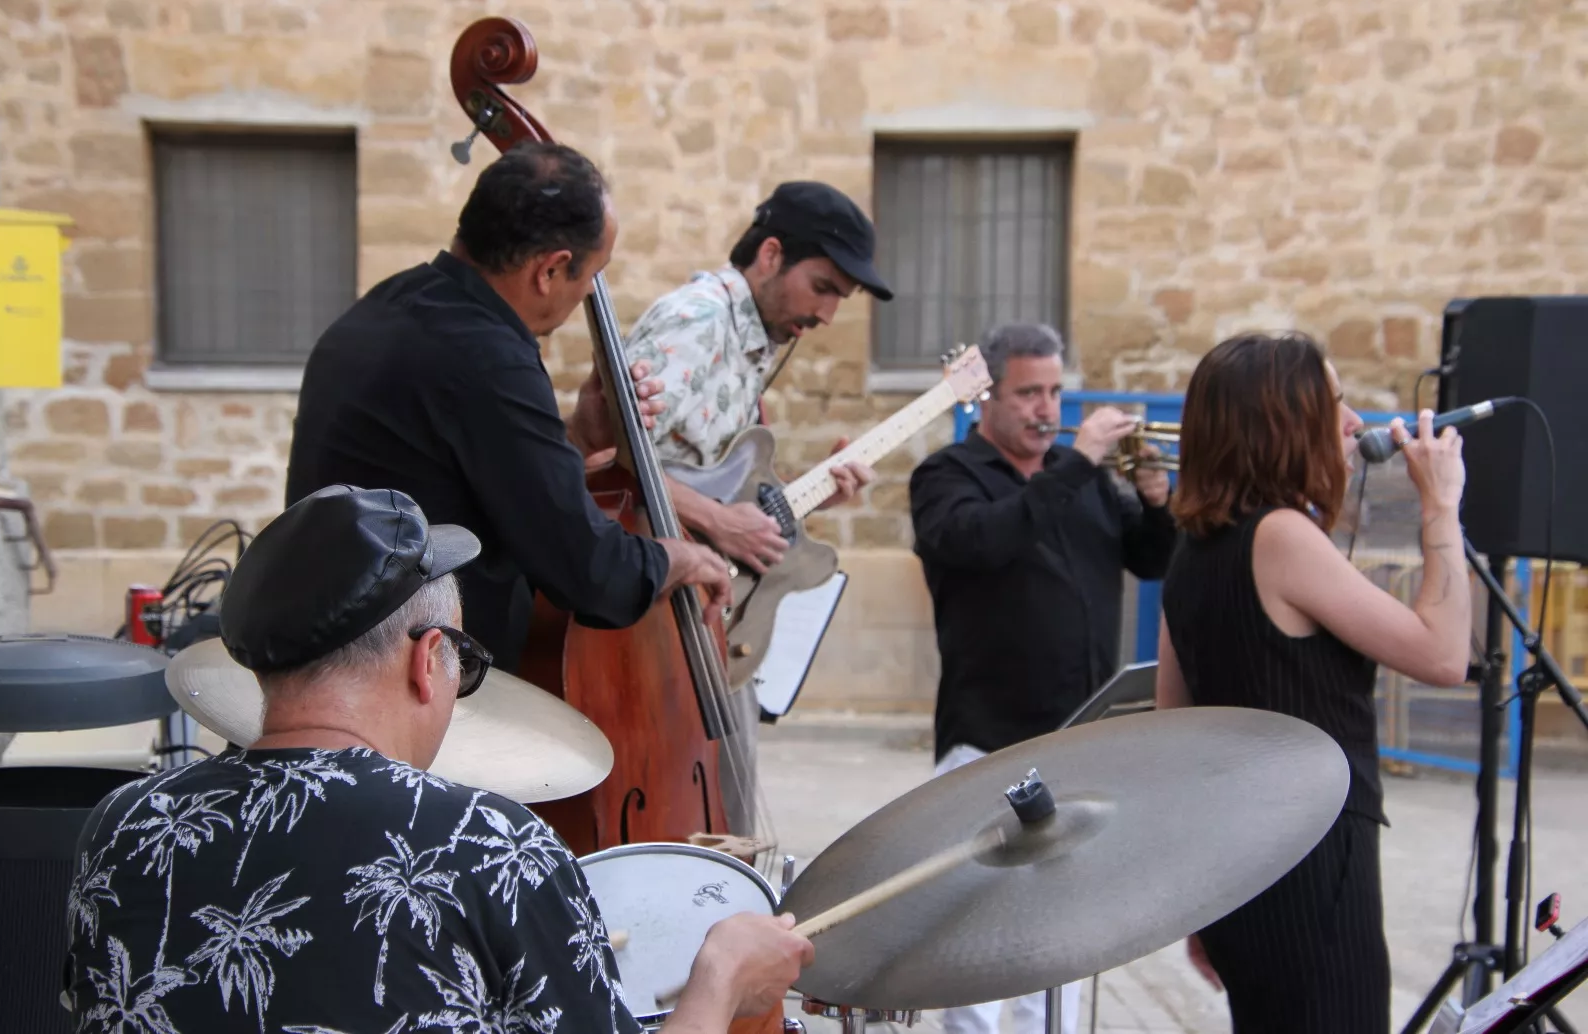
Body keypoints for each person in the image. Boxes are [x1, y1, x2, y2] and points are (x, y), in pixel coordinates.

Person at [62, 484, 813, 1034]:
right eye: (464, 661)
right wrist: (719, 982)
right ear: (430, 661)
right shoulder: (487, 846)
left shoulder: (125, 824)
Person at [284, 141, 732, 674]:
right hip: (397, 685)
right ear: (550, 270)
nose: (590, 292)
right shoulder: (489, 357)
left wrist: (582, 436)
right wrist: (677, 557)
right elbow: (585, 572)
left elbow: (463, 473)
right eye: (592, 274)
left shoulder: (388, 307)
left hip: (324, 655)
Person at [1156, 332, 1470, 1033]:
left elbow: (1176, 732)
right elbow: (1445, 656)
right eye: (1334, 402)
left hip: (1243, 861)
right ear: (1284, 422)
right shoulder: (1281, 538)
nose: (1355, 421)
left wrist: (1200, 897)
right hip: (1310, 862)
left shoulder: (1196, 546)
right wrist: (1440, 509)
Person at [906, 321, 1178, 1034]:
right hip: (990, 737)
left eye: (1055, 392)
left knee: (1060, 937)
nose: (1047, 411)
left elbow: (1152, 561)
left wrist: (1155, 502)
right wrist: (1077, 466)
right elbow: (980, 542)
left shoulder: (1080, 478)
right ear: (987, 397)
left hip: (1082, 737)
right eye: (1029, 393)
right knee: (978, 935)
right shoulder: (947, 477)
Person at [614, 181, 887, 837]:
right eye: (822, 287)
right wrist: (716, 521)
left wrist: (804, 491)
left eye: (839, 300)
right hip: (646, 613)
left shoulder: (751, 342)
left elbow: (703, 473)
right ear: (770, 255)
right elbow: (604, 461)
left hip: (698, 609)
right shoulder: (698, 322)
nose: (826, 316)